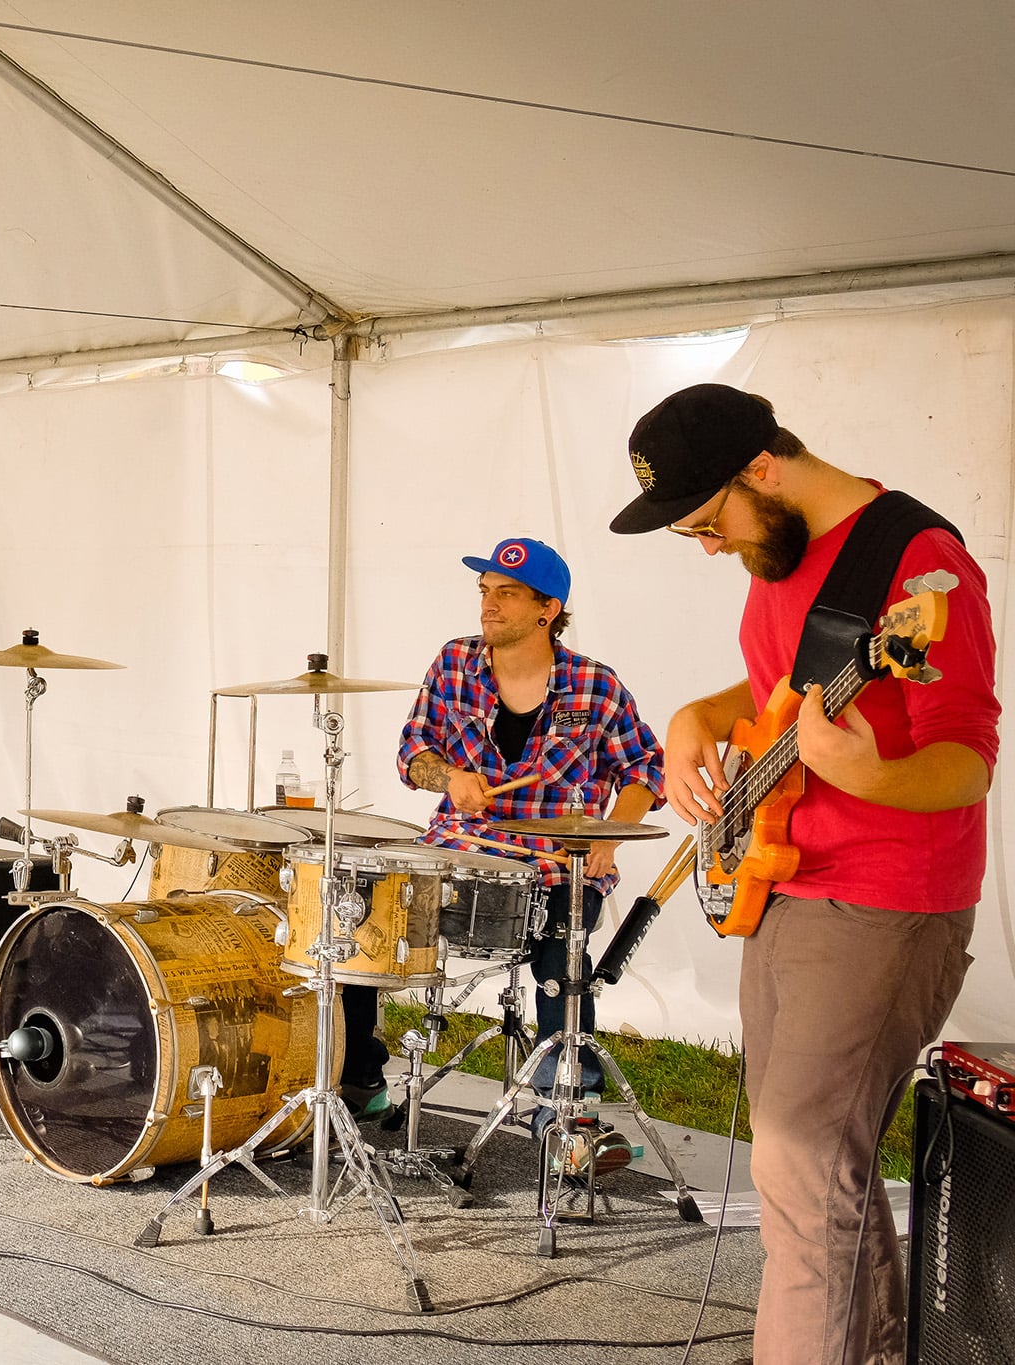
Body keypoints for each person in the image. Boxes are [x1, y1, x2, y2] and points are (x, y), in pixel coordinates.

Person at [612, 384, 997, 1365]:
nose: (710, 548)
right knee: (820, 1174)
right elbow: (783, 683)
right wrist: (696, 717)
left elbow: (967, 755)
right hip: (782, 881)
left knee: (797, 1172)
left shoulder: (919, 564)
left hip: (882, 902)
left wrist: (871, 775)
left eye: (708, 524)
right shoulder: (776, 549)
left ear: (762, 470)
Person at [387, 536, 665, 1157]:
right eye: (485, 590)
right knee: (363, 928)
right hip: (461, 848)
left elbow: (646, 770)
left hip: (554, 861)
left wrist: (610, 839)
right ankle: (357, 1082)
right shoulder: (454, 663)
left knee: (562, 971)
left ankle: (566, 1114)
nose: (488, 604)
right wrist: (449, 778)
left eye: (507, 594)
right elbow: (413, 752)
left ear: (548, 609)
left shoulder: (594, 685)